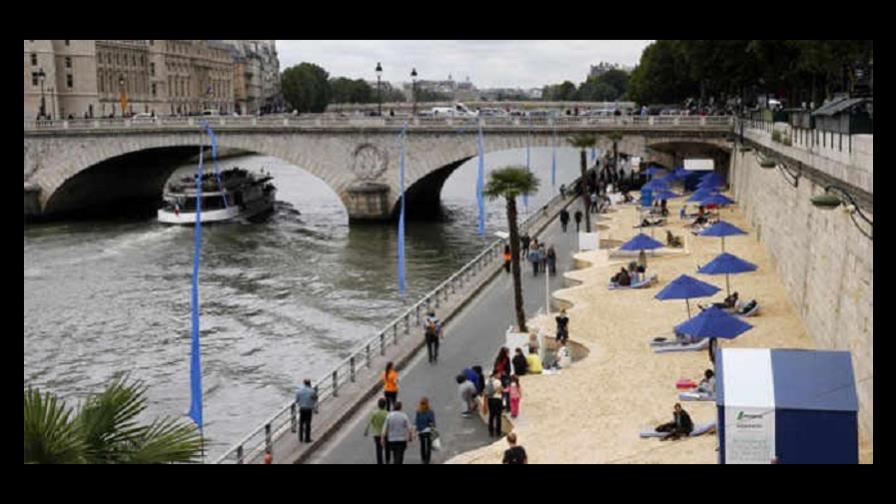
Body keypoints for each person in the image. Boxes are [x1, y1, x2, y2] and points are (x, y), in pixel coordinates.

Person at [364, 398, 391, 464]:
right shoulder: (388, 413)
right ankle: (387, 459)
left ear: (378, 405)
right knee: (387, 446)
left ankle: (380, 461)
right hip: (386, 433)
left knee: (378, 448)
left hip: (376, 433)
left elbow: (369, 422)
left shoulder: (374, 413)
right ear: (385, 405)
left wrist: (366, 431)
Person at [295, 379, 318, 443]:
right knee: (308, 424)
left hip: (302, 409)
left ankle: (301, 438)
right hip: (308, 409)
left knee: (301, 423)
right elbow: (315, 398)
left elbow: (296, 400)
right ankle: (307, 439)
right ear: (309, 383)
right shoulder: (312, 391)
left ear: (304, 383)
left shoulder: (299, 391)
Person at [414, 397, 436, 464]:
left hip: (421, 430)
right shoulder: (430, 411)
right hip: (428, 430)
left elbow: (416, 421)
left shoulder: (418, 411)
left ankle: (423, 458)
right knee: (428, 446)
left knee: (422, 445)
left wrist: (416, 429)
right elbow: (433, 421)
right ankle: (427, 459)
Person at [485, 371, 504, 437]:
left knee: (491, 416)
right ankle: (498, 432)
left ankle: (491, 431)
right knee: (498, 416)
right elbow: (501, 390)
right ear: (496, 374)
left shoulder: (488, 381)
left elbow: (486, 392)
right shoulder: (498, 382)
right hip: (497, 400)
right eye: (499, 374)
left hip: (490, 400)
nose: (500, 375)